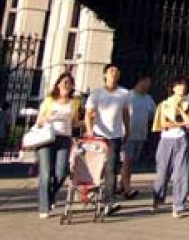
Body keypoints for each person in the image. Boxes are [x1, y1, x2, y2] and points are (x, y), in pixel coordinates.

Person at [85, 63, 130, 216]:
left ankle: (109, 201)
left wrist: (127, 129)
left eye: (116, 71)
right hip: (98, 135)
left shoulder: (123, 93)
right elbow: (89, 114)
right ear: (105, 75)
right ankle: (91, 192)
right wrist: (90, 131)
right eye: (111, 70)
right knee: (96, 167)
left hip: (115, 135)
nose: (114, 73)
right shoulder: (97, 93)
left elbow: (125, 114)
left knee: (111, 168)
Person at [36, 72, 82, 219]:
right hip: (47, 138)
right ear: (58, 84)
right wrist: (49, 116)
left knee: (61, 172)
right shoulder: (50, 100)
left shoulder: (74, 102)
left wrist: (89, 121)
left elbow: (74, 123)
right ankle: (44, 206)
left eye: (69, 83)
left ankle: (50, 196)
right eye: (64, 82)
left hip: (64, 139)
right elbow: (39, 121)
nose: (66, 85)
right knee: (45, 173)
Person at [151, 76, 189, 218]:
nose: (182, 87)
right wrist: (181, 123)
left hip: (181, 140)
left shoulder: (188, 104)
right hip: (166, 140)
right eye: (179, 85)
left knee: (181, 174)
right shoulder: (165, 104)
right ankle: (157, 198)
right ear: (173, 88)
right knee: (162, 172)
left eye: (183, 85)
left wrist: (180, 110)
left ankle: (178, 205)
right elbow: (164, 124)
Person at [119, 74, 156, 199]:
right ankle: (127, 188)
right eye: (146, 82)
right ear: (140, 81)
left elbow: (153, 115)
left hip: (141, 134)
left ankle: (122, 184)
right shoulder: (128, 96)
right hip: (128, 134)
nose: (148, 85)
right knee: (127, 161)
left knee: (132, 161)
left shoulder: (148, 99)